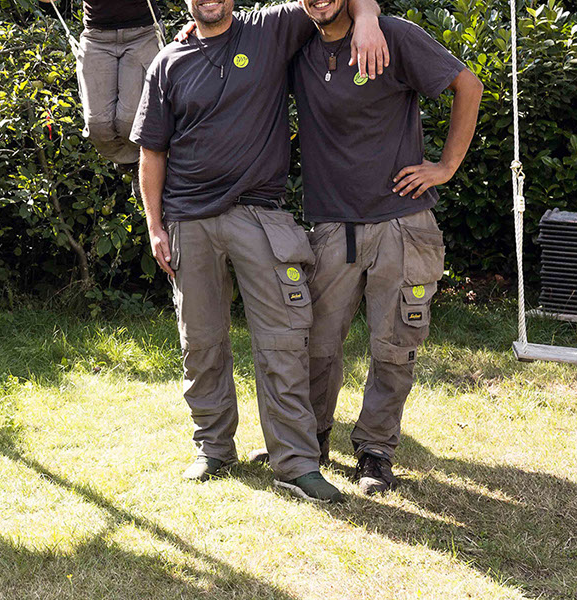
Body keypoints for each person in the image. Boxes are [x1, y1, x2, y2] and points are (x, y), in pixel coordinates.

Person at [131, 0, 387, 503]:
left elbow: (331, 0)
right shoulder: (167, 63)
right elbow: (152, 151)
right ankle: (213, 448)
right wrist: (155, 225)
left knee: (285, 342)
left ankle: (295, 463)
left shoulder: (269, 29)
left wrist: (371, 18)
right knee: (201, 342)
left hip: (261, 217)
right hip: (188, 220)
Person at [290, 0, 482, 493]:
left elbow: (468, 85)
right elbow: (229, 29)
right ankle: (309, 440)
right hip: (332, 226)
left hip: (401, 223)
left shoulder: (393, 36)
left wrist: (445, 167)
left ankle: (375, 451)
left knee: (394, 347)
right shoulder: (296, 45)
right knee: (314, 344)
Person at [41, 0, 164, 197]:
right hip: (96, 36)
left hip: (143, 33)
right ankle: (132, 162)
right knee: (97, 125)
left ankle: (144, 166)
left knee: (132, 122)